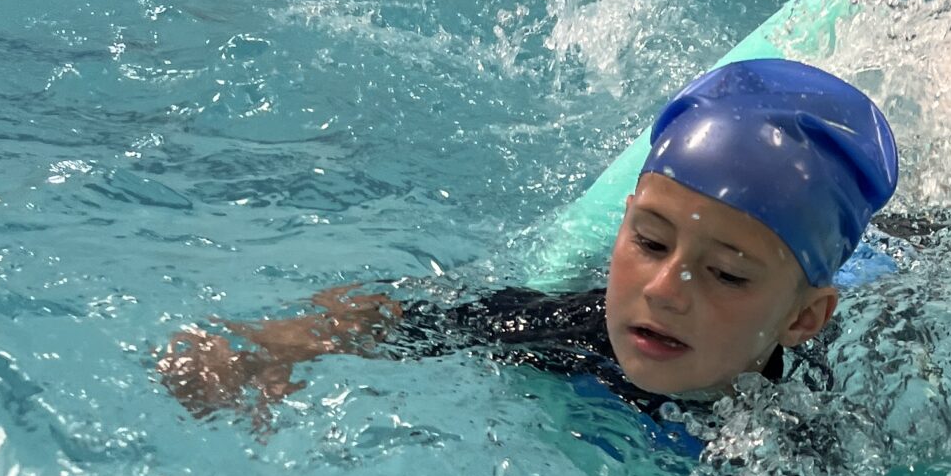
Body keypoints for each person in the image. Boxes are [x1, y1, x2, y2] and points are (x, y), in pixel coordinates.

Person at [159, 62, 898, 433]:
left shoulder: (795, 435)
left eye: (727, 276)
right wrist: (269, 345)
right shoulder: (570, 331)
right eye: (649, 242)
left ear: (802, 319)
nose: (664, 290)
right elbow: (401, 317)